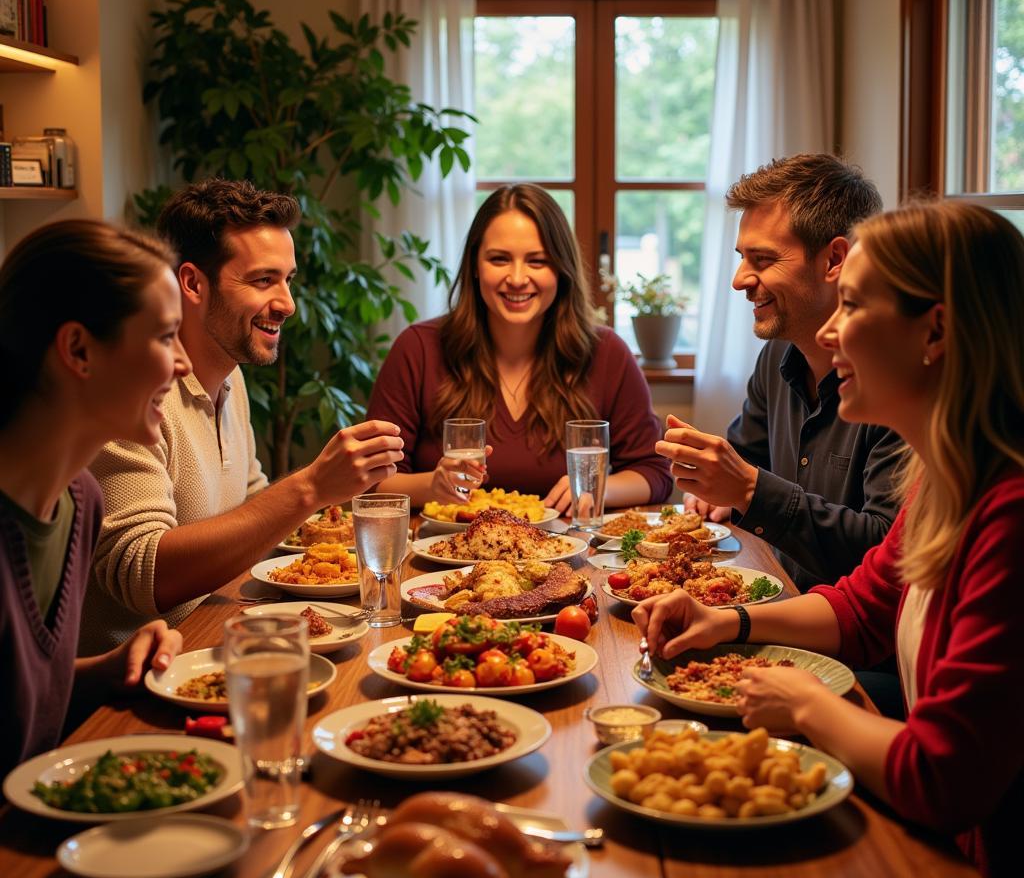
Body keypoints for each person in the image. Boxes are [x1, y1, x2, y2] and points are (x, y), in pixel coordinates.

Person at [635, 201, 1024, 878]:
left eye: (851, 305)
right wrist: (730, 621)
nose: (827, 331)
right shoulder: (947, 481)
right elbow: (861, 609)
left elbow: (943, 775)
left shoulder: (1010, 512)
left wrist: (810, 705)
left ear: (935, 330)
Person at [79, 180, 404, 654]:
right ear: (192, 283)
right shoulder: (133, 391)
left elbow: (250, 504)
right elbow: (140, 573)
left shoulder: (232, 377)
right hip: (130, 691)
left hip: (219, 639)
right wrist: (311, 486)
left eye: (288, 279)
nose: (287, 303)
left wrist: (326, 518)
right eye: (262, 280)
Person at [657, 154, 903, 591]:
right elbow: (746, 461)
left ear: (835, 260)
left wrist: (749, 490)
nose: (739, 280)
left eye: (763, 259)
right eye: (741, 257)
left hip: (858, 651)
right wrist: (713, 489)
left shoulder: (897, 382)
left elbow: (886, 556)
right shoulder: (776, 358)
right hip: (781, 603)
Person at [0, 219, 186, 778]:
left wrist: (104, 671)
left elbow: (20, 706)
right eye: (165, 336)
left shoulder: (81, 502)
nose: (184, 363)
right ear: (79, 349)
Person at [366, 183, 672, 510]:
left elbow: (654, 472)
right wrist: (432, 485)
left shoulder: (607, 352)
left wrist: (595, 488)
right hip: (444, 555)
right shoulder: (418, 348)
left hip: (570, 554)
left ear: (561, 269)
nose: (516, 278)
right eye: (499, 259)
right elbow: (373, 481)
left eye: (537, 261)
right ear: (474, 266)